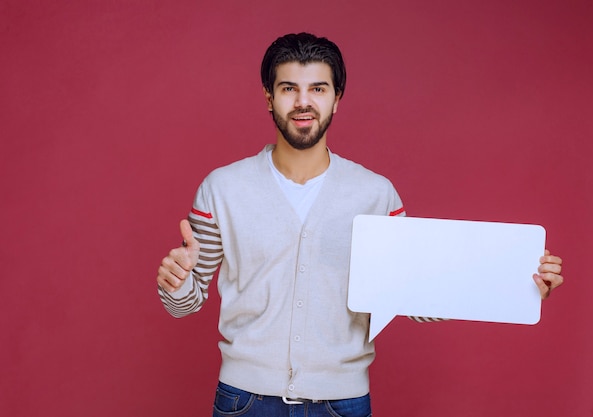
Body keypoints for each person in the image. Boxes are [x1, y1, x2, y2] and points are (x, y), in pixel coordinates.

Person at [156, 32, 564, 417]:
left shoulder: (376, 195)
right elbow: (188, 301)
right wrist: (176, 283)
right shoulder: (223, 188)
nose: (303, 102)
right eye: (288, 89)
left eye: (318, 89)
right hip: (244, 400)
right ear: (269, 97)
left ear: (337, 100)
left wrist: (514, 281)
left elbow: (416, 294)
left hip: (342, 402)